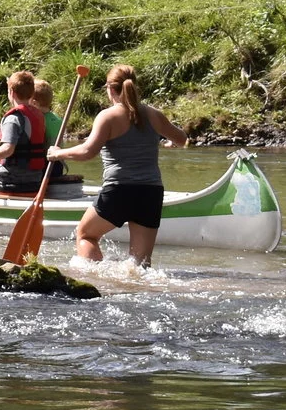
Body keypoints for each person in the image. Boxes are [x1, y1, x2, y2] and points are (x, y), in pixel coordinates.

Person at [49, 63, 186, 268]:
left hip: (119, 191)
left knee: (86, 235)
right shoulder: (154, 115)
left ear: (110, 89)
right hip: (150, 193)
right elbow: (182, 139)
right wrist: (163, 140)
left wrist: (58, 153)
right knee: (140, 265)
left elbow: (88, 151)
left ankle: (96, 281)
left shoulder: (108, 116)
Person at [0, 70, 50, 195]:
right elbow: (22, 141)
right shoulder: (38, 115)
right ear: (31, 92)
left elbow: (8, 149)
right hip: (36, 176)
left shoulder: (13, 118)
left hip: (13, 177)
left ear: (11, 92)